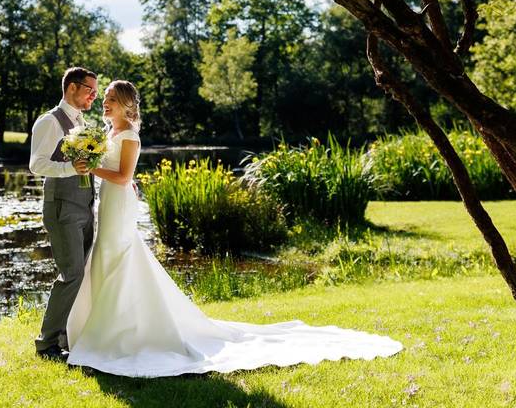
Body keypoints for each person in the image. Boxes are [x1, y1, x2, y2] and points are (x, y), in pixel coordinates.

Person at [65, 80, 402, 376]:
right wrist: (92, 164)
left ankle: (118, 334)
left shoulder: (130, 138)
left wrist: (92, 168)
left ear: (125, 104)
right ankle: (106, 329)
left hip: (118, 203)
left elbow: (122, 177)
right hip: (108, 203)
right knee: (106, 256)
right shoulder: (108, 133)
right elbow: (125, 177)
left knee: (118, 256)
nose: (104, 101)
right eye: (104, 96)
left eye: (109, 96)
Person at [28, 67, 99, 362]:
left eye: (95, 92)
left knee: (81, 273)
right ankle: (46, 344)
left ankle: (66, 336)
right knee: (72, 272)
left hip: (84, 205)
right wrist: (71, 168)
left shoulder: (82, 122)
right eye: (89, 90)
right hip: (61, 206)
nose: (94, 96)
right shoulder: (49, 121)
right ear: (71, 87)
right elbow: (36, 164)